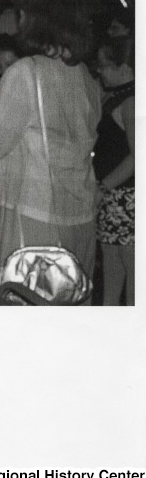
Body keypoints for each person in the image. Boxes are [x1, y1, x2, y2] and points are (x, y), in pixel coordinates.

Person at [0, 0, 101, 305]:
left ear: (37, 19)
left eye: (22, 14)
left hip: (34, 218)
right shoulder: (87, 78)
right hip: (80, 215)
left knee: (19, 312)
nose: (18, 22)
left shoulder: (26, 73)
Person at [93, 36, 135, 305]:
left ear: (126, 67)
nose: (99, 70)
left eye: (104, 65)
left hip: (127, 197)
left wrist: (103, 187)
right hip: (115, 196)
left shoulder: (132, 101)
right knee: (112, 266)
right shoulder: (118, 97)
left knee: (133, 273)